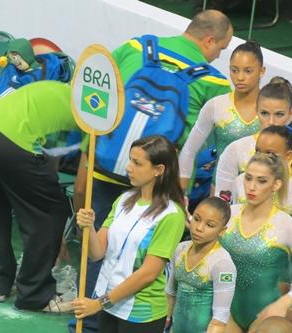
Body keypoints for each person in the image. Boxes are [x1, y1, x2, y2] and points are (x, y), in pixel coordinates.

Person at [69, 9, 234, 332]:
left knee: (98, 251)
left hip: (105, 168)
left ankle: (86, 323)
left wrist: (86, 161)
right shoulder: (213, 82)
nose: (218, 56)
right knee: (144, 260)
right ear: (209, 39)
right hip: (155, 186)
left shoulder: (134, 47)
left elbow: (96, 104)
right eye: (221, 49)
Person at [0, 80, 75, 313]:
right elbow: (56, 167)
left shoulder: (51, 87)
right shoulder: (87, 113)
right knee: (51, 211)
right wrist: (55, 229)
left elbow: (48, 156)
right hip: (7, 142)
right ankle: (35, 295)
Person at [72, 135, 186, 333]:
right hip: (110, 306)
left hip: (140, 315)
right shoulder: (123, 200)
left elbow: (148, 274)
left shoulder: (171, 215)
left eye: (137, 163)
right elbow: (97, 253)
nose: (128, 167)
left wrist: (99, 303)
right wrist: (88, 227)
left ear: (159, 170)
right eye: (130, 160)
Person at [219, 153, 292, 333]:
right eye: (248, 178)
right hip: (225, 312)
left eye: (261, 181)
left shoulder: (288, 226)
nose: (251, 187)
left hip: (267, 315)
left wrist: (284, 303)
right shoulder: (227, 215)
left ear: (276, 184)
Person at [179, 40, 265, 190]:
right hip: (221, 192)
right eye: (234, 70)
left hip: (261, 194)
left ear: (262, 71)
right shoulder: (216, 105)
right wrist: (181, 197)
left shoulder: (271, 110)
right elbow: (188, 151)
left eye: (248, 71)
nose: (240, 77)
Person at [229, 121, 292, 259]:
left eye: (270, 153)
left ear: (288, 156)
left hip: (278, 273)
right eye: (258, 151)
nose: (261, 158)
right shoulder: (240, 182)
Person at [166, 196, 236, 333]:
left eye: (210, 225)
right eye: (196, 219)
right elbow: (170, 292)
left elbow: (220, 319)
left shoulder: (223, 264)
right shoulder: (180, 249)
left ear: (222, 231)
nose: (199, 228)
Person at [215, 76, 292, 195]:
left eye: (279, 114)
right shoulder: (236, 149)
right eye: (264, 113)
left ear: (290, 114)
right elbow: (222, 202)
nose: (271, 121)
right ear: (256, 110)